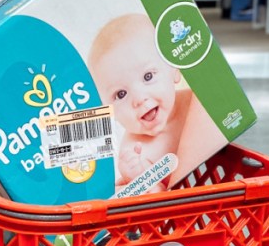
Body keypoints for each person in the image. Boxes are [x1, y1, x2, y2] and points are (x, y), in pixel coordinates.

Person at [88, 14, 227, 192]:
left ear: (173, 69)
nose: (139, 99)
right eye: (121, 94)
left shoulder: (195, 100)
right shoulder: (135, 151)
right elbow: (158, 201)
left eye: (148, 76)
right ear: (108, 110)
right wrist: (138, 178)